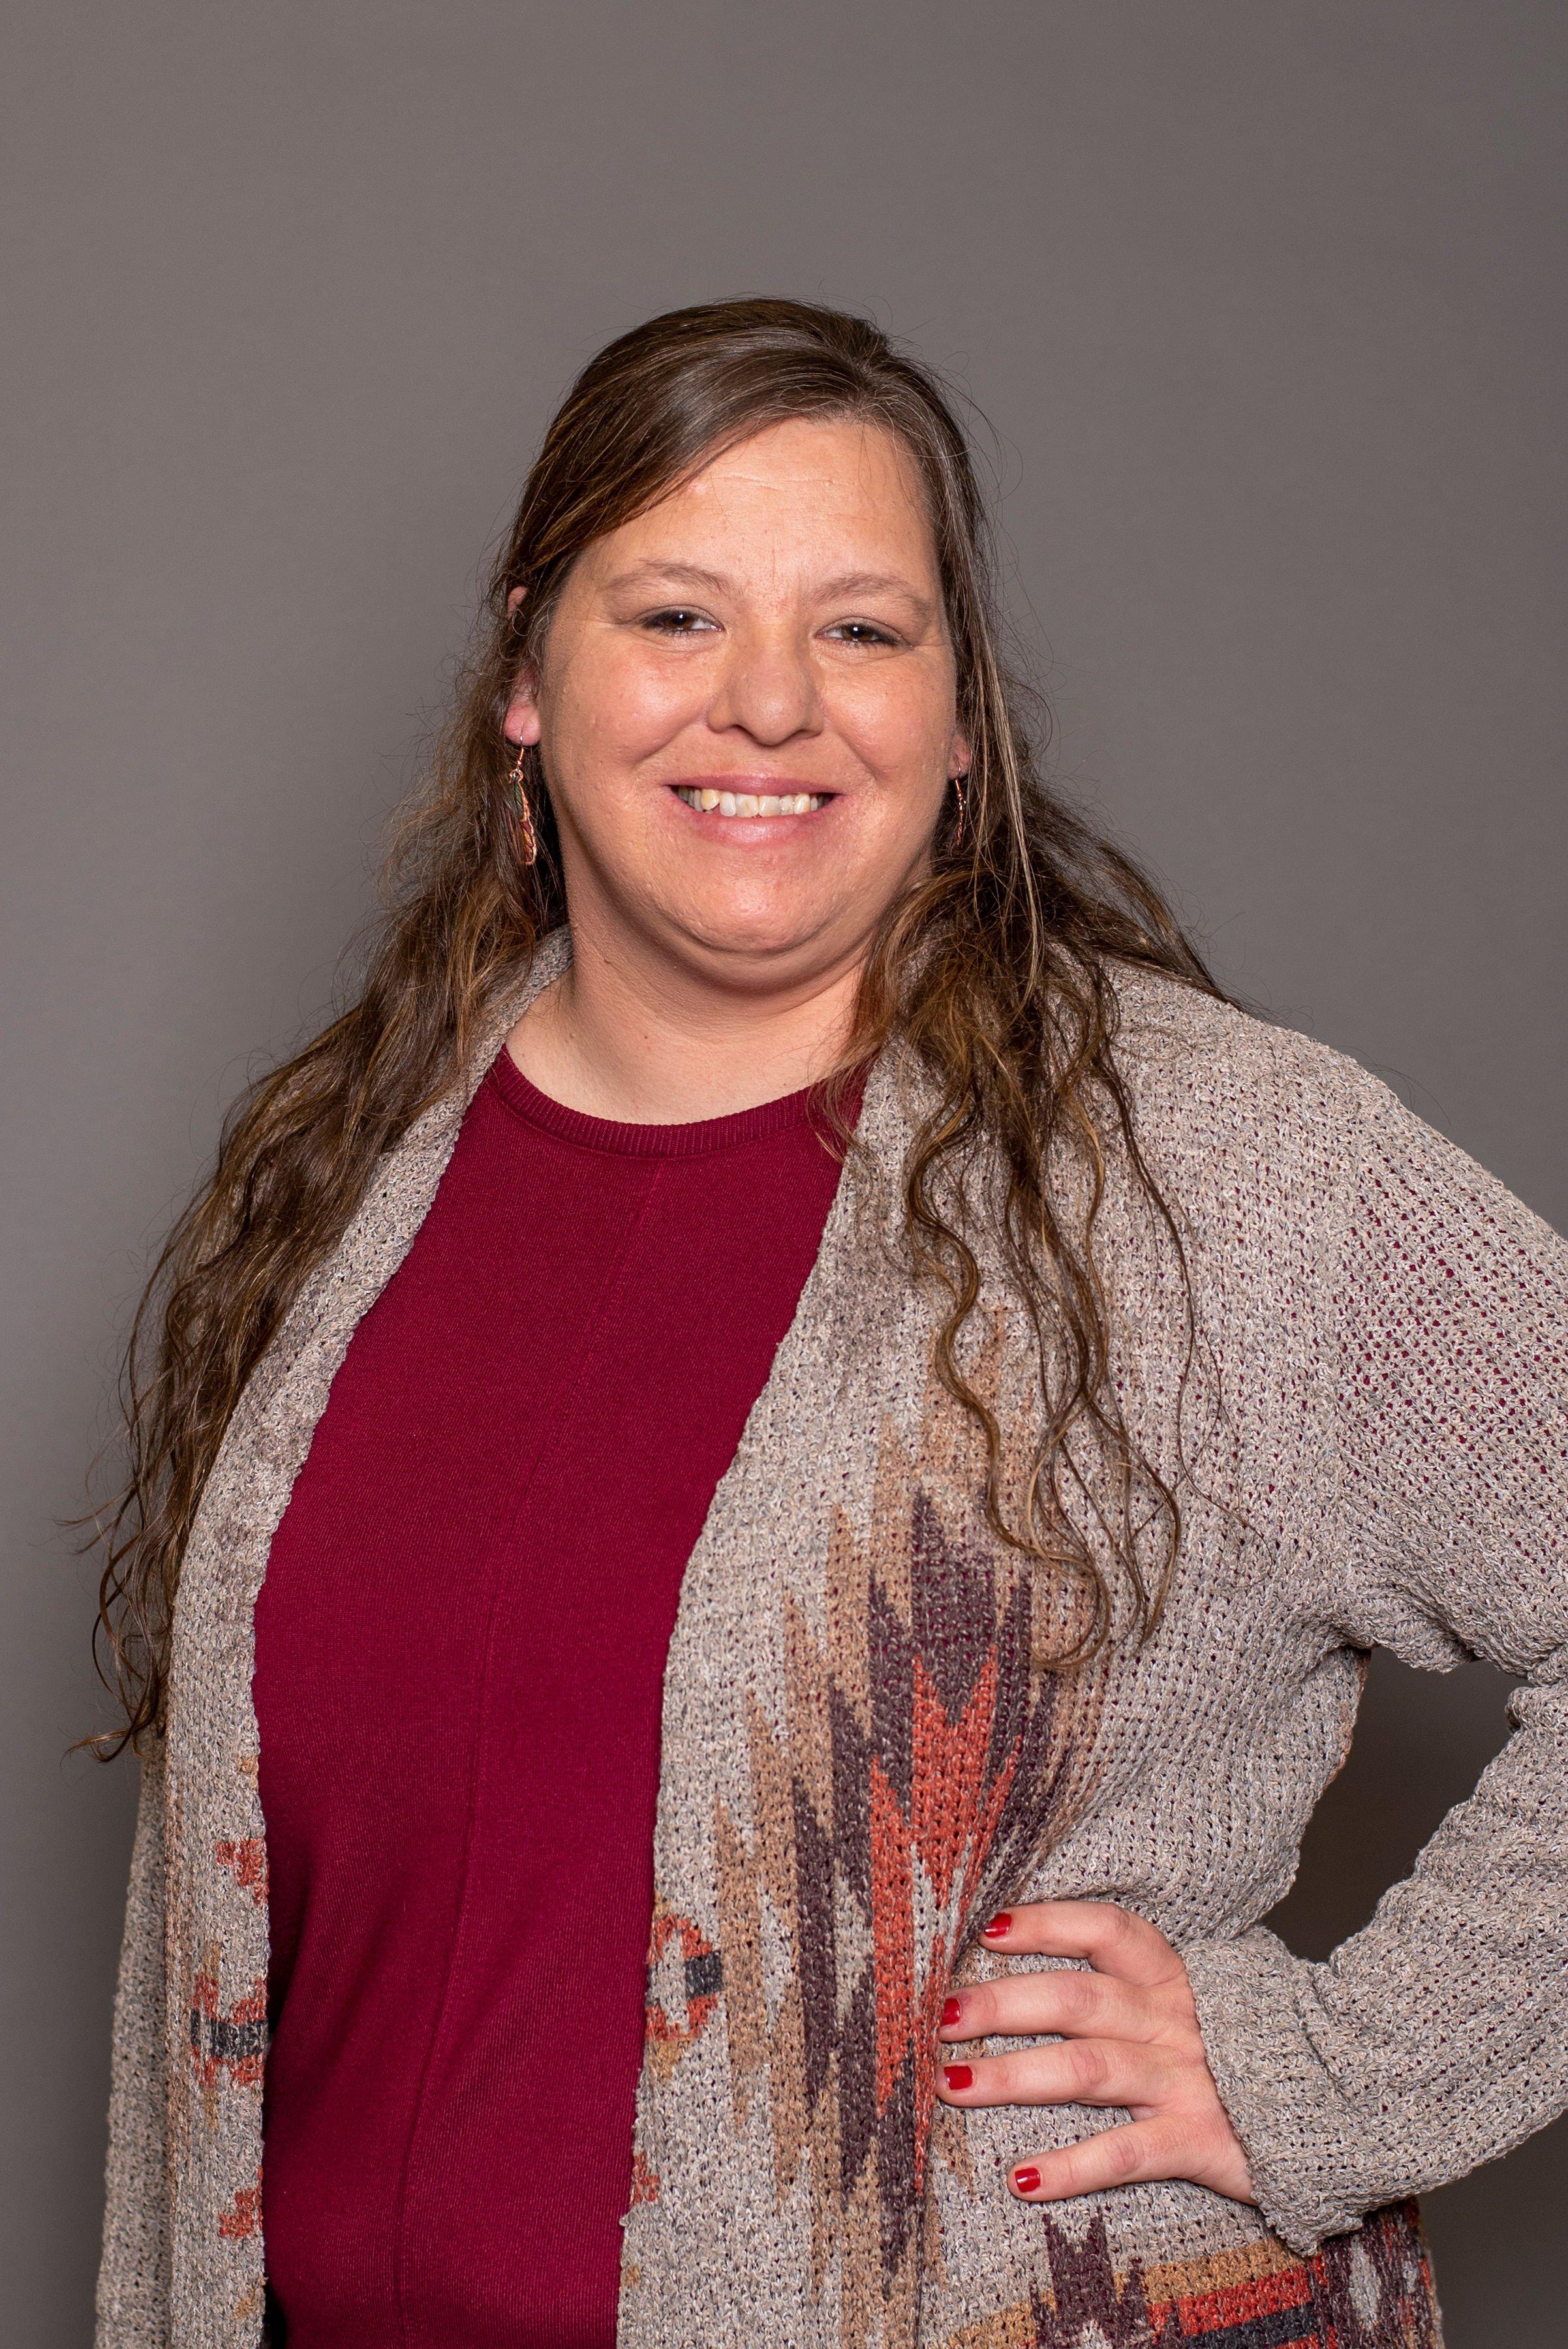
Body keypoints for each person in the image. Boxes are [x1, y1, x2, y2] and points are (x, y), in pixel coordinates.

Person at [91, 299, 1566, 2349]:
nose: (769, 704)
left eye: (862, 631)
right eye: (675, 617)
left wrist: (1329, 2080)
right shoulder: (348, 1177)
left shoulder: (1213, 1166)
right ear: (526, 676)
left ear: (963, 722)